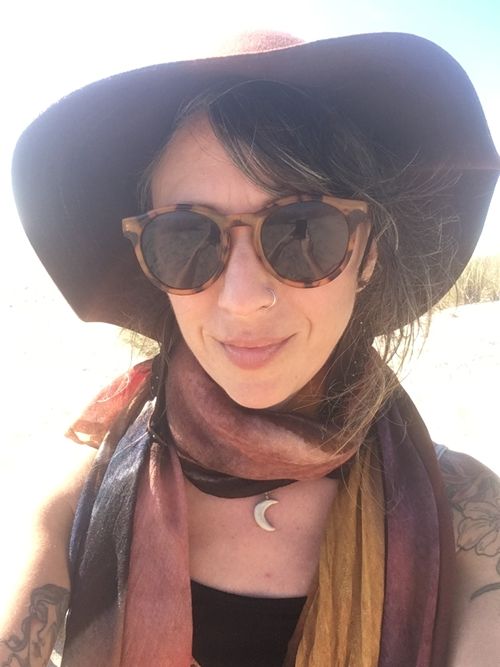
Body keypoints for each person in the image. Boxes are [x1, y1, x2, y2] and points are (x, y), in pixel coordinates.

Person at [4, 30, 500, 667]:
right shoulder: (77, 479)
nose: (242, 299)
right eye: (185, 238)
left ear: (368, 252)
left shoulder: (465, 513)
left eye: (303, 232)